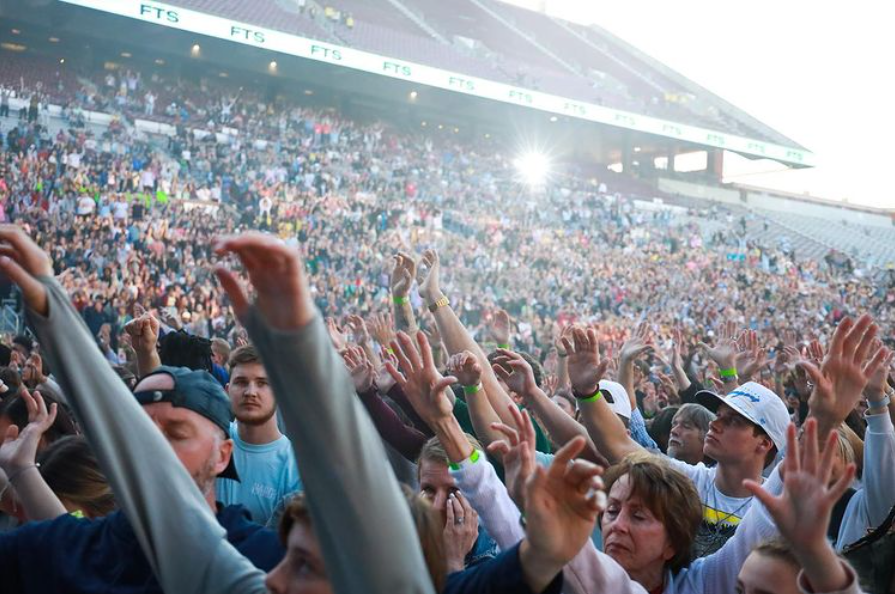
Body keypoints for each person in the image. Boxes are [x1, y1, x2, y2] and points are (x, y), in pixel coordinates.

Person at [569, 325, 791, 556]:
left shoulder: (775, 510)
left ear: (764, 443)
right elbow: (619, 444)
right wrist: (587, 392)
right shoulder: (688, 481)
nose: (715, 424)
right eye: (718, 416)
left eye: (733, 421)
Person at [216, 345, 302, 525]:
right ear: (226, 390)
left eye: (262, 383)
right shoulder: (214, 439)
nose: (250, 392)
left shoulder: (295, 468)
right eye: (241, 382)